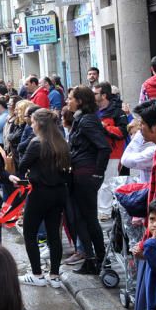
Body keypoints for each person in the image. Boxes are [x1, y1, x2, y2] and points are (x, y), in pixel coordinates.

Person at [12, 109, 71, 288]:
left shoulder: (37, 143)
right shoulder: (62, 142)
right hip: (59, 193)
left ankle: (37, 274)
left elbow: (22, 165)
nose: (31, 125)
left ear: (39, 124)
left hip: (39, 192)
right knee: (54, 234)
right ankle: (54, 276)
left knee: (30, 233)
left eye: (32, 122)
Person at [62, 87, 110, 275]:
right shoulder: (81, 119)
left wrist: (98, 174)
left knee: (88, 219)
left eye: (71, 98)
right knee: (80, 219)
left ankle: (99, 259)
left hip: (86, 175)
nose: (68, 101)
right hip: (79, 173)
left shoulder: (87, 120)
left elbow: (104, 148)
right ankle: (91, 259)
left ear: (80, 101)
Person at [95, 82, 129, 218]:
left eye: (95, 93)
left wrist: (105, 127)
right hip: (96, 152)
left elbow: (122, 132)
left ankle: (105, 211)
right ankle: (102, 210)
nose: (93, 96)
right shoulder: (93, 110)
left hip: (112, 153)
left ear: (104, 95)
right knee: (99, 181)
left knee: (108, 181)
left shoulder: (117, 111)